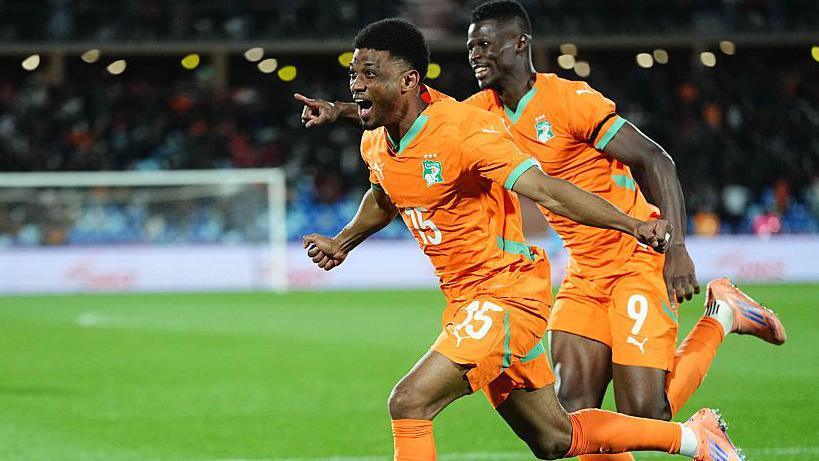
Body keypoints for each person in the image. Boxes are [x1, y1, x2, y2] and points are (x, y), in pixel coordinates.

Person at [296, 4, 786, 461]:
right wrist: (342, 239)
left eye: (368, 74)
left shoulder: (526, 111)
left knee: (409, 403)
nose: (476, 55)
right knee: (557, 436)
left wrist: (651, 231)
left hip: (548, 281)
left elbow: (572, 183)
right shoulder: (422, 129)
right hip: (538, 280)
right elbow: (388, 187)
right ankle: (695, 437)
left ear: (519, 44)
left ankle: (716, 331)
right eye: (471, 47)